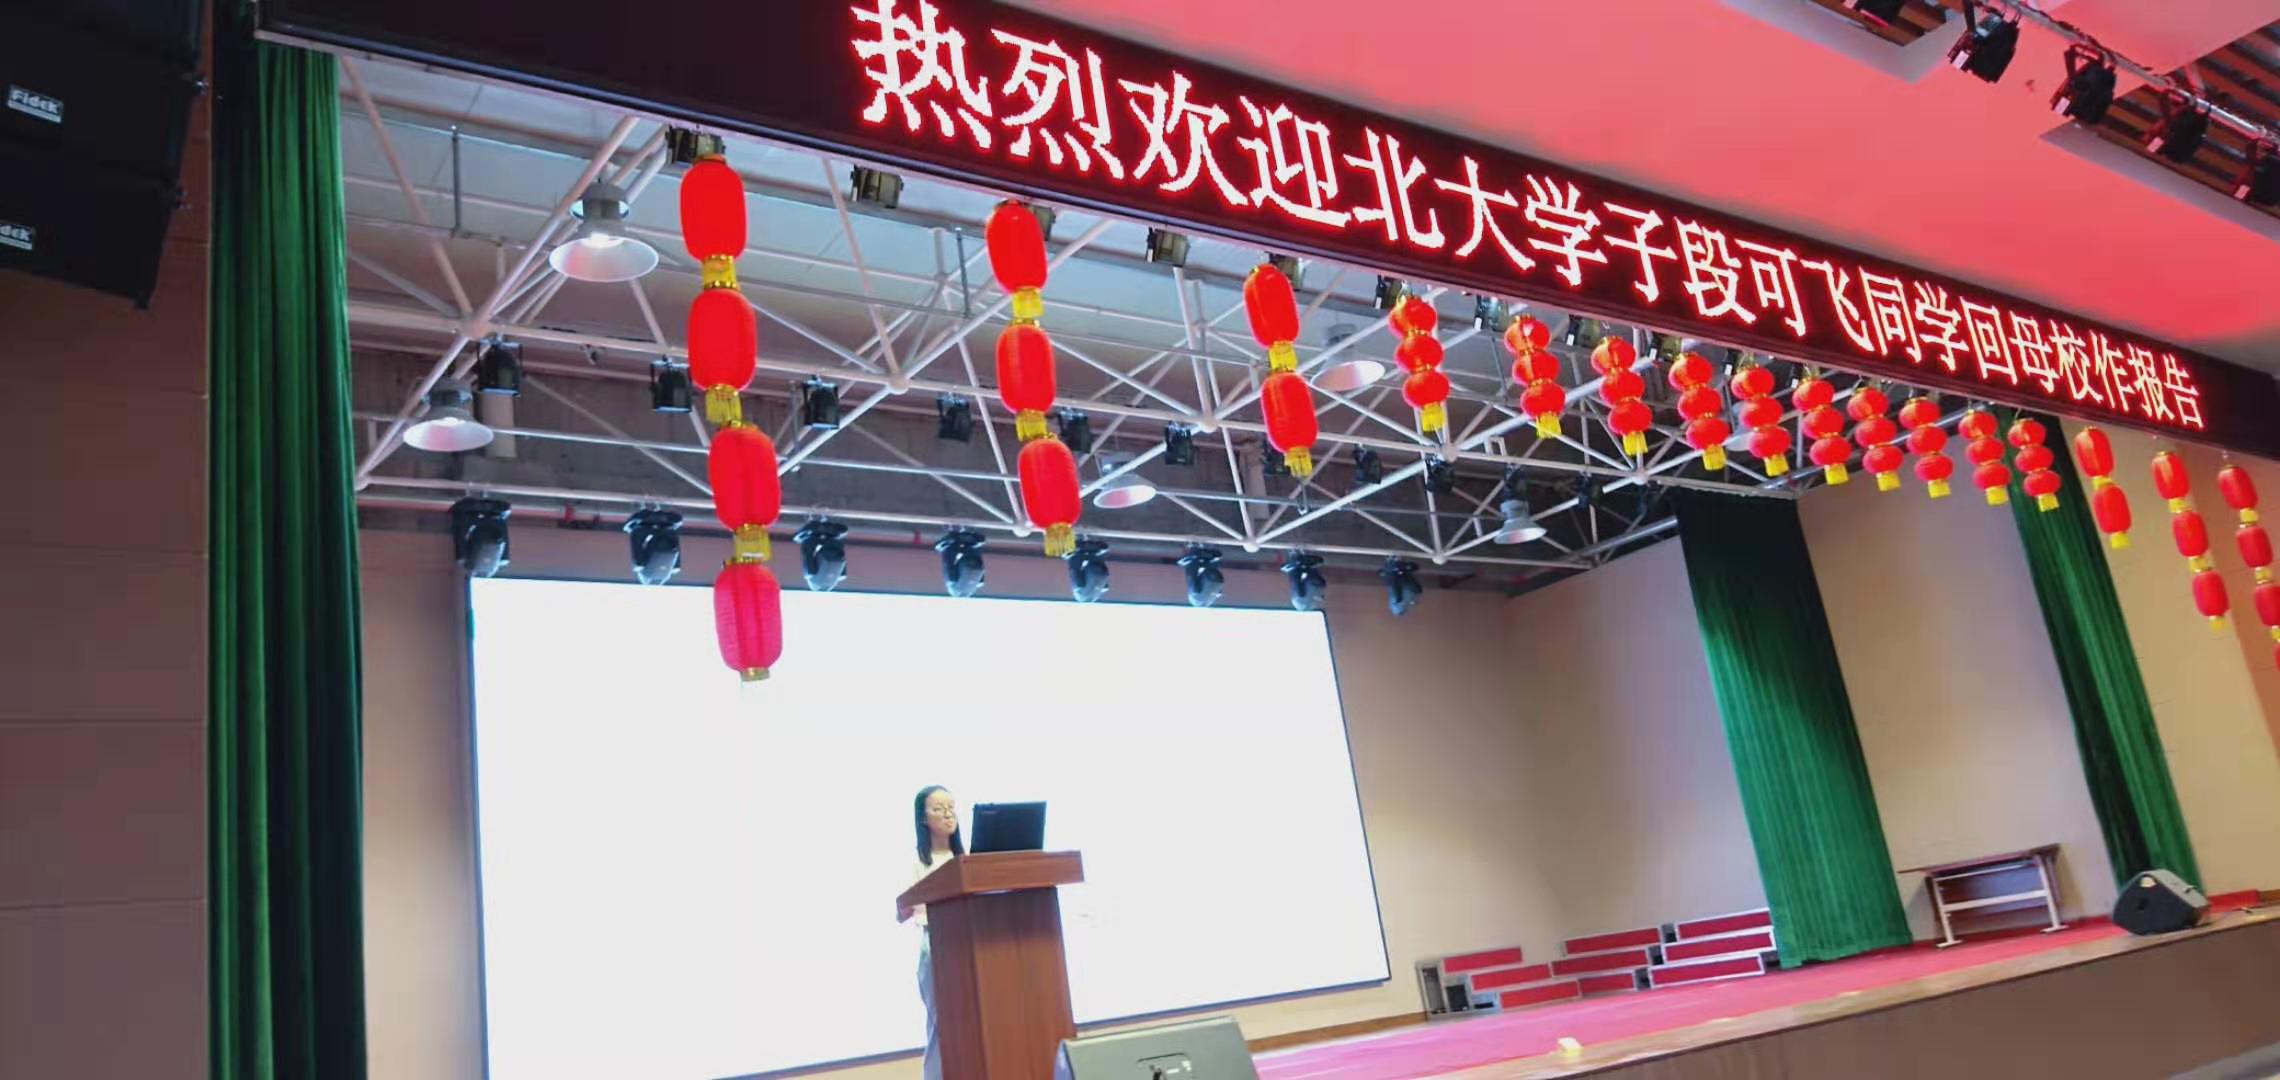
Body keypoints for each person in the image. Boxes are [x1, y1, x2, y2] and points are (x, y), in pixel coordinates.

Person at [898, 785, 963, 1080]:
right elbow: (901, 910)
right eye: (939, 809)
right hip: (936, 945)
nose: (948, 814)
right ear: (923, 819)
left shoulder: (966, 859)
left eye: (951, 807)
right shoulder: (916, 862)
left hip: (970, 943)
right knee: (942, 1025)